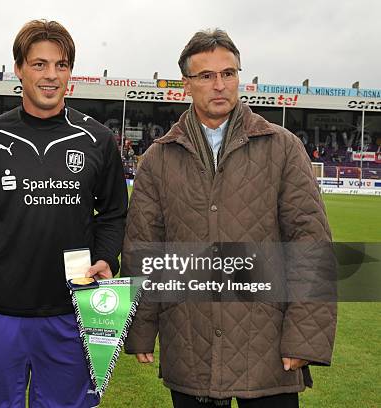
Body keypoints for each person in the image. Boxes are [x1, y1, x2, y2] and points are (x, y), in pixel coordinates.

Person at [122, 29, 336, 408]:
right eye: (206, 76)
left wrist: (304, 337)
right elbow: (144, 249)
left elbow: (311, 244)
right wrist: (140, 328)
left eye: (229, 73)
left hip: (268, 351)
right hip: (191, 345)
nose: (219, 85)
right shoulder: (157, 159)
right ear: (186, 84)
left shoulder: (283, 148)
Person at [0, 19, 128, 408]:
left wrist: (107, 257)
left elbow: (113, 212)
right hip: (0, 308)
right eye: (39, 64)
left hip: (71, 308)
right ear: (19, 69)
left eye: (61, 65)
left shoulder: (97, 139)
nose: (51, 75)